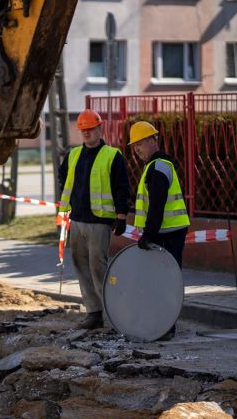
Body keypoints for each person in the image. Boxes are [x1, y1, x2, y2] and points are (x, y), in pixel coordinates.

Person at [58, 109, 131, 329]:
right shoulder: (73, 154)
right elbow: (64, 178)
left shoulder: (112, 155)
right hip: (78, 219)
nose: (87, 133)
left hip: (100, 221)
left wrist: (121, 216)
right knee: (81, 267)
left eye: (90, 129)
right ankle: (94, 313)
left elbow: (121, 187)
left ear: (100, 129)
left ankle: (115, 315)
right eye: (83, 130)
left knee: (98, 268)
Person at [129, 121, 190, 339]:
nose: (137, 149)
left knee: (165, 282)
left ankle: (166, 327)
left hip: (168, 233)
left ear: (154, 140)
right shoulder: (154, 166)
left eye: (141, 143)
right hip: (167, 232)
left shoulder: (158, 167)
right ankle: (162, 325)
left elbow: (157, 204)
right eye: (134, 145)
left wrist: (149, 234)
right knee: (161, 281)